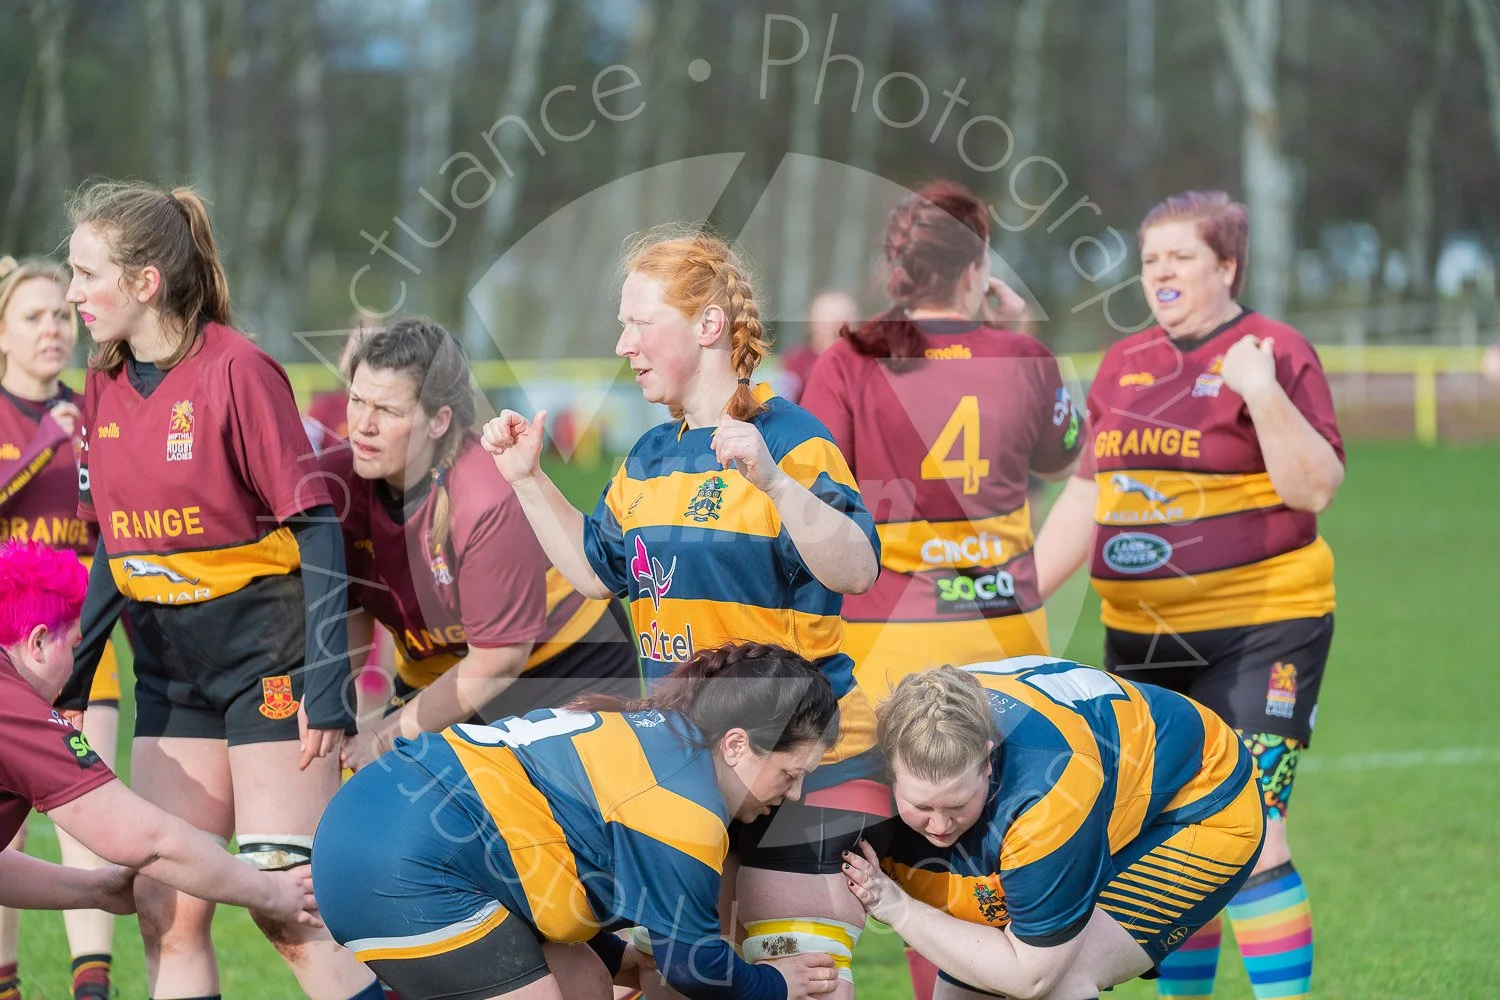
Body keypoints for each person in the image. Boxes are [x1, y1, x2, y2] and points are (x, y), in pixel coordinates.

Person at [482, 227, 886, 997]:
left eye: (638, 321)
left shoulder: (791, 443)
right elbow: (600, 575)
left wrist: (774, 486)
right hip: (687, 761)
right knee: (678, 981)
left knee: (792, 980)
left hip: (803, 761)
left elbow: (857, 567)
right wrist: (528, 482)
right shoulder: (647, 458)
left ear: (707, 326)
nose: (622, 342)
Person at [53, 181, 382, 1000]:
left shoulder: (239, 370)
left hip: (264, 663)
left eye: (85, 273)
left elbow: (319, 529)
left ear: (144, 283)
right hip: (167, 671)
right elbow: (113, 546)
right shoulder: (102, 381)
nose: (70, 293)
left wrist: (330, 687)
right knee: (167, 907)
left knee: (293, 908)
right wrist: (75, 673)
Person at [1034, 191, 1343, 1000]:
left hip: (1264, 629)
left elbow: (1315, 488)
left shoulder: (1274, 349)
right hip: (1142, 639)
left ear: (1228, 265)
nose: (1161, 273)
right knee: (1170, 838)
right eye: (1150, 259)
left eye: (1182, 257)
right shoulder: (1123, 364)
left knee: (1255, 831)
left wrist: (1262, 391)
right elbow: (1087, 499)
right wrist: (1016, 592)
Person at [313, 642, 844, 1000]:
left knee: (586, 979)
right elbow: (692, 966)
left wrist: (619, 957)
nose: (794, 792)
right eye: (790, 771)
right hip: (406, 863)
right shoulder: (687, 806)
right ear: (735, 745)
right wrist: (775, 982)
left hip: (372, 826)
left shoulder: (658, 731)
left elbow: (544, 853)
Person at [801, 180, 1084, 709]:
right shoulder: (1025, 356)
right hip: (1010, 649)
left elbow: (812, 500)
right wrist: (1010, 341)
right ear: (976, 271)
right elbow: (1065, 456)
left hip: (887, 649)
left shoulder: (846, 360)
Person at [321, 317, 640, 770]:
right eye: (356, 401)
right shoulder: (340, 478)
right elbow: (356, 605)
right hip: (442, 677)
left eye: (389, 411)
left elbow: (499, 660)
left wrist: (385, 734)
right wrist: (332, 712)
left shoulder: (483, 493)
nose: (363, 426)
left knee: (541, 830)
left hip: (560, 668)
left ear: (439, 421)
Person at [841, 660, 1264, 1000]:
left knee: (1060, 978)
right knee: (975, 972)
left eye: (956, 804)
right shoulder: (874, 758)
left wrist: (896, 906)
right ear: (889, 771)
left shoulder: (1048, 794)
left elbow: (1031, 977)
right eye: (920, 806)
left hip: (1199, 798)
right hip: (1108, 779)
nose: (939, 825)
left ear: (989, 761)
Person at [0, 540, 321, 935]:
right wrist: (271, 892)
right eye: (75, 646)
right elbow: (146, 839)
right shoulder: (16, 712)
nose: (75, 669)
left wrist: (96, 889)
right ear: (38, 642)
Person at [0, 256, 135, 1000]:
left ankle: (93, 990)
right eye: (32, 316)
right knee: (6, 833)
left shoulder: (97, 408)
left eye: (60, 314)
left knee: (91, 809)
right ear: (2, 334)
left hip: (82, 646)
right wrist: (43, 450)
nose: (51, 328)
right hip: (5, 651)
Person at [779, 291, 859, 404]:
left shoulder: (865, 364)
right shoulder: (795, 362)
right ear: (811, 323)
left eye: (845, 320)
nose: (839, 328)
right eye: (830, 320)